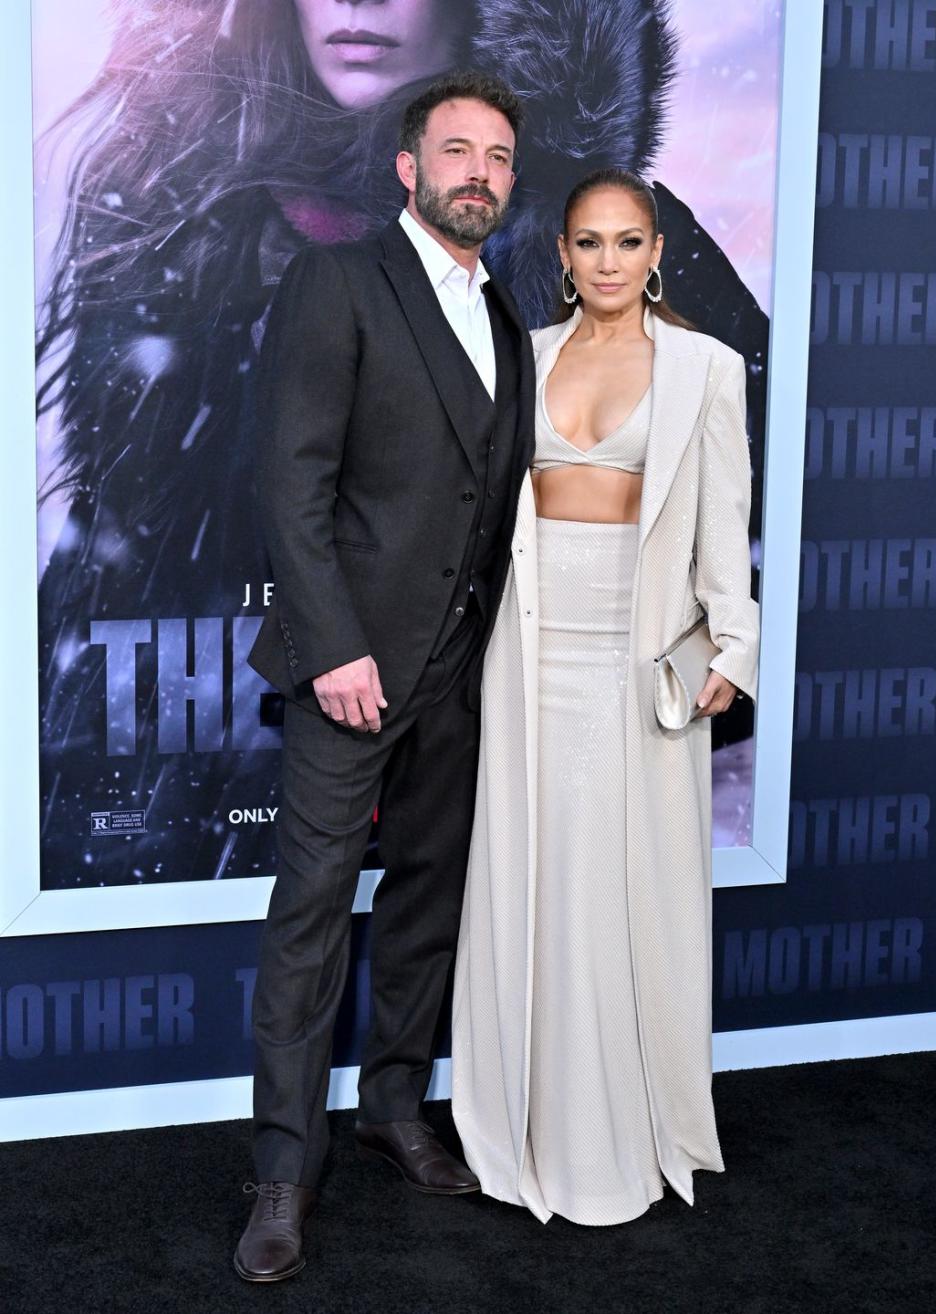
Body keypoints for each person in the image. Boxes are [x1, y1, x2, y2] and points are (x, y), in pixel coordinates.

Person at [36, 0, 763, 893]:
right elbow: (116, 570)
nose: (355, 4)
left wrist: (636, 688)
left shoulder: (593, 237)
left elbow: (741, 507)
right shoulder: (178, 221)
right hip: (214, 792)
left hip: (506, 786)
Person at [233, 71, 534, 1282]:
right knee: (311, 921)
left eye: (499, 157)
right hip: (349, 670)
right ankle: (280, 1178)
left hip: (463, 673)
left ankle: (397, 1110)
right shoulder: (340, 281)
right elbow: (290, 484)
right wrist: (336, 645)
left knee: (425, 903)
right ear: (407, 168)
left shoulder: (508, 315)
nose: (479, 172)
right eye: (456, 150)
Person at [452, 168, 760, 1226]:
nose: (610, 262)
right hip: (523, 656)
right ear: (564, 256)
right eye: (590, 243)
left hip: (639, 656)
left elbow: (727, 524)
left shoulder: (707, 370)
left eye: (629, 242)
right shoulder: (521, 360)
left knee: (632, 886)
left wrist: (735, 642)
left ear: (659, 249)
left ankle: (626, 1134)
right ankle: (530, 1125)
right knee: (531, 880)